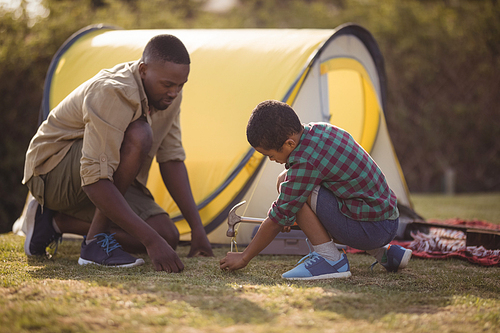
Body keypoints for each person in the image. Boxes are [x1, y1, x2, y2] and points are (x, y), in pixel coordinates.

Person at [21, 34, 213, 272]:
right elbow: (93, 179)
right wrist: (151, 242)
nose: (174, 92)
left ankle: (54, 222)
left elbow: (171, 159)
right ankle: (93, 244)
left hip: (103, 174)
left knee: (167, 234)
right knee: (139, 134)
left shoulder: (168, 95)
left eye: (180, 85)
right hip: (51, 174)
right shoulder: (113, 91)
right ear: (143, 70)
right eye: (168, 84)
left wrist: (197, 230)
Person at [220, 100, 412, 279]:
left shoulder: (306, 160)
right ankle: (384, 253)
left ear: (289, 143)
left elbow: (279, 215)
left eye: (270, 155)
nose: (272, 160)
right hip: (384, 220)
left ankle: (330, 259)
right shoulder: (318, 131)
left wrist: (244, 257)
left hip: (373, 229)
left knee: (295, 196)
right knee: (286, 182)